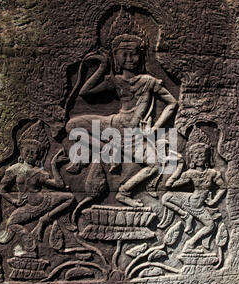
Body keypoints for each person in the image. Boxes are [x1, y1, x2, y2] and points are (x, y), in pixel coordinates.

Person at [66, 9, 178, 207]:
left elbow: (172, 103)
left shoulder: (148, 81)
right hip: (113, 124)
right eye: (123, 54)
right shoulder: (115, 81)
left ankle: (124, 192)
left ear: (141, 57)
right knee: (72, 127)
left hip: (134, 135)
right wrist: (102, 67)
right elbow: (85, 92)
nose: (129, 59)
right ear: (115, 57)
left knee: (154, 165)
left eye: (134, 54)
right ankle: (108, 151)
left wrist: (154, 129)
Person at [0, 120, 74, 253]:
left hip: (44, 201)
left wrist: (54, 165)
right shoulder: (14, 169)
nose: (30, 154)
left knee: (70, 197)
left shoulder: (39, 172)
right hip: (28, 206)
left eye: (34, 152)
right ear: (21, 151)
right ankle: (28, 240)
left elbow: (59, 185)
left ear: (39, 155)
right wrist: (14, 200)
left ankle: (44, 219)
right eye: (28, 151)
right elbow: (1, 189)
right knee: (11, 223)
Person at [161, 133, 226, 252]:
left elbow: (223, 187)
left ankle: (191, 243)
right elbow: (169, 185)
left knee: (210, 226)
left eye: (202, 154)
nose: (199, 157)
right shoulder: (190, 173)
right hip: (188, 199)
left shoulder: (212, 173)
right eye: (196, 155)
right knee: (165, 198)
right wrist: (180, 165)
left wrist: (213, 201)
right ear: (192, 158)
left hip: (198, 206)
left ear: (207, 157)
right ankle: (186, 216)